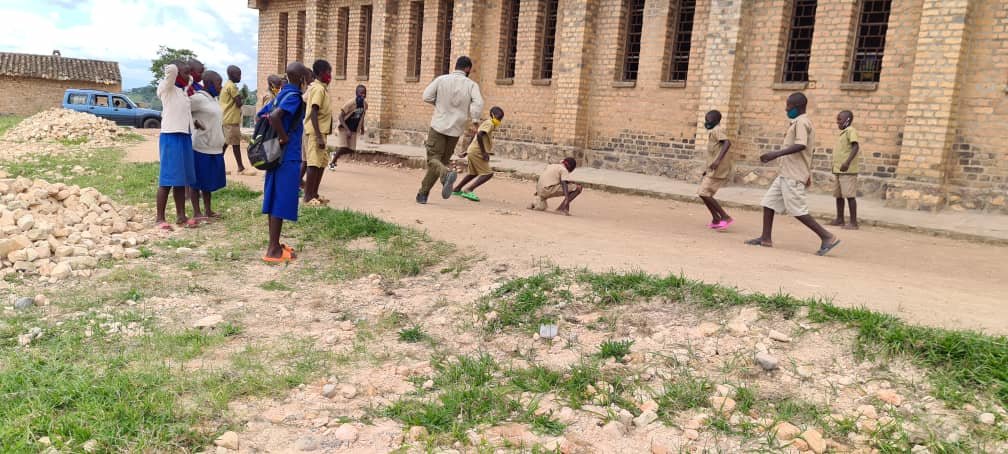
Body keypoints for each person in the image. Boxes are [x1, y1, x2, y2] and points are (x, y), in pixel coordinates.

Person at [746, 92, 841, 256]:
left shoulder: (801, 123)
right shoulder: (797, 122)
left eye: (788, 106)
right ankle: (765, 238)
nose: (786, 108)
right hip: (786, 173)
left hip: (793, 175)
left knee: (797, 209)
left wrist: (775, 154)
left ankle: (827, 236)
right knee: (768, 203)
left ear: (797, 107)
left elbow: (801, 145)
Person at [416, 56, 484, 204]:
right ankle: (422, 194)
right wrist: (475, 120)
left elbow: (426, 96)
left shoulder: (441, 80)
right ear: (467, 69)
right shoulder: (471, 85)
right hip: (455, 129)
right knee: (442, 162)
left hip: (438, 126)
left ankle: (445, 175)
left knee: (433, 160)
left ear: (456, 66)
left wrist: (438, 104)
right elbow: (477, 103)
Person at [260, 62, 309, 263]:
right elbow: (274, 116)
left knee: (274, 198)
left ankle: (275, 243)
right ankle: (272, 250)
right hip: (286, 155)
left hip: (274, 154)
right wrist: (284, 137)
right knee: (281, 200)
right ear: (301, 79)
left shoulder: (280, 94)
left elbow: (261, 115)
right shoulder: (294, 97)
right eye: (307, 77)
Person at [155, 61, 197, 230]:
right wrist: (177, 68)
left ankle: (181, 216)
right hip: (170, 136)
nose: (189, 76)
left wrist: (188, 79)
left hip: (184, 136)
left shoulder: (182, 92)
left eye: (189, 73)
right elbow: (170, 70)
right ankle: (160, 218)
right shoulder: (166, 88)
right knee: (167, 179)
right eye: (185, 72)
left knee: (181, 179)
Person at [189, 70, 227, 221]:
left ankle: (208, 210)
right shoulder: (197, 98)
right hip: (201, 146)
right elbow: (178, 111)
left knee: (208, 181)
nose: (221, 86)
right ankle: (197, 212)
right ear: (209, 84)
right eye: (218, 83)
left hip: (215, 147)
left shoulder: (213, 99)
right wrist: (193, 123)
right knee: (197, 181)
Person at [452, 106, 504, 202]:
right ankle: (468, 190)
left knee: (474, 173)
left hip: (473, 150)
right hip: (477, 152)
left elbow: (476, 135)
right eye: (497, 117)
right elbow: (480, 135)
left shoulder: (488, 123)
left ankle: (457, 189)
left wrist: (467, 150)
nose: (499, 120)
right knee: (488, 174)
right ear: (492, 115)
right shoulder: (490, 124)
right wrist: (484, 152)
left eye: (500, 118)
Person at [300, 59, 333, 206]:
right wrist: (319, 136)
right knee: (313, 164)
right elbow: (314, 111)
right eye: (328, 72)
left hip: (321, 133)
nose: (329, 75)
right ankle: (307, 197)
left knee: (321, 163)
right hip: (315, 133)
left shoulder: (322, 88)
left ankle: (314, 194)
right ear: (320, 73)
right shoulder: (318, 89)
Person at [697, 110, 734, 230]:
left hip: (718, 168)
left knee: (703, 193)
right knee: (704, 194)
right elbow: (713, 152)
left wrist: (717, 161)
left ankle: (725, 217)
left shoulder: (717, 130)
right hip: (712, 169)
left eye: (709, 120)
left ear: (716, 121)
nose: (707, 122)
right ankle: (716, 218)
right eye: (706, 119)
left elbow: (727, 143)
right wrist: (706, 168)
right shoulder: (713, 131)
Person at [221, 65, 255, 176]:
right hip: (231, 120)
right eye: (238, 74)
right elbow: (239, 103)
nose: (240, 77)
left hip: (226, 119)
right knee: (235, 144)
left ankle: (217, 166)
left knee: (226, 143)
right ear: (231, 75)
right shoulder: (232, 87)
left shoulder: (226, 85)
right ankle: (240, 167)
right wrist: (243, 97)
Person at [830, 110, 861, 229]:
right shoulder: (843, 132)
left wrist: (847, 162)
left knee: (850, 196)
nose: (837, 122)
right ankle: (840, 219)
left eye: (839, 119)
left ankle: (853, 222)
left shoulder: (851, 131)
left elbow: (855, 146)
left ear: (847, 120)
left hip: (847, 170)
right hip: (838, 170)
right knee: (838, 195)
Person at [329, 84, 368, 170]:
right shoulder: (351, 103)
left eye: (365, 93)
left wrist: (362, 127)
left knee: (351, 149)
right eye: (361, 93)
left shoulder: (365, 104)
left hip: (354, 129)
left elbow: (362, 115)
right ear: (356, 93)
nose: (363, 95)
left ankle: (335, 154)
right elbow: (340, 117)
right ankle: (332, 163)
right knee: (343, 146)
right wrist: (347, 130)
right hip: (344, 127)